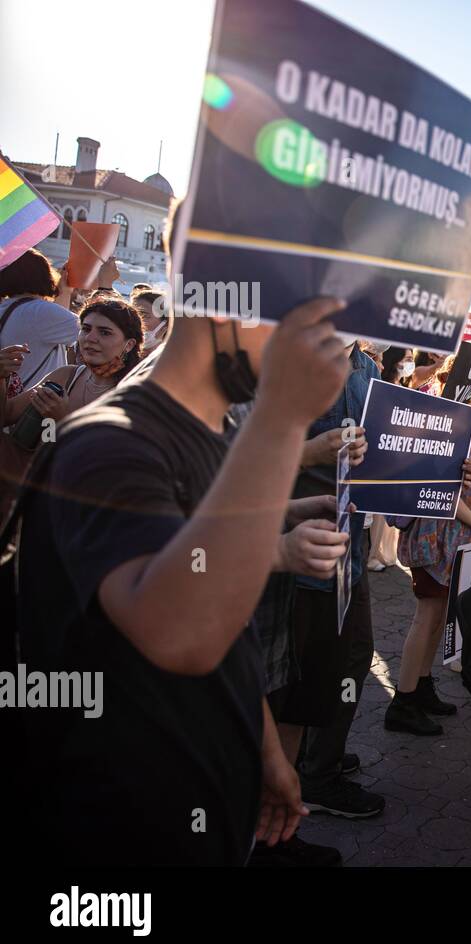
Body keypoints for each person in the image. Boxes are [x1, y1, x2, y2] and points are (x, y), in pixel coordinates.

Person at [11, 220, 351, 863]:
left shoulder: (214, 428)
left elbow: (223, 612)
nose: (319, 342)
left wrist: (266, 753)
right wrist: (283, 413)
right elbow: (178, 631)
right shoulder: (114, 442)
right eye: (300, 314)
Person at [276, 341, 386, 821]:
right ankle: (300, 783)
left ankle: (319, 760)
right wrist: (309, 453)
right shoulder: (287, 355)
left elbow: (389, 448)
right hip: (296, 543)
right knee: (299, 676)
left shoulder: (368, 366)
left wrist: (445, 477)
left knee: (351, 656)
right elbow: (245, 451)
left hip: (350, 543)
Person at [386, 357, 471, 735]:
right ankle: (403, 699)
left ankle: (421, 685)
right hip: (435, 537)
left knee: (436, 617)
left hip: (451, 539)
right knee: (427, 616)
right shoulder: (455, 424)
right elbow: (438, 489)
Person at [3, 292, 143, 428]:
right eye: (86, 329)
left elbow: (113, 450)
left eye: (104, 332)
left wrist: (62, 420)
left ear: (129, 344)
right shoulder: (66, 376)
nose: (90, 338)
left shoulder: (134, 394)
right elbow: (6, 415)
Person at [0, 249, 81, 389]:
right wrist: (106, 283)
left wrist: (66, 291)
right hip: (34, 403)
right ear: (45, 276)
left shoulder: (6, 309)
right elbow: (89, 332)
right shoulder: (41, 312)